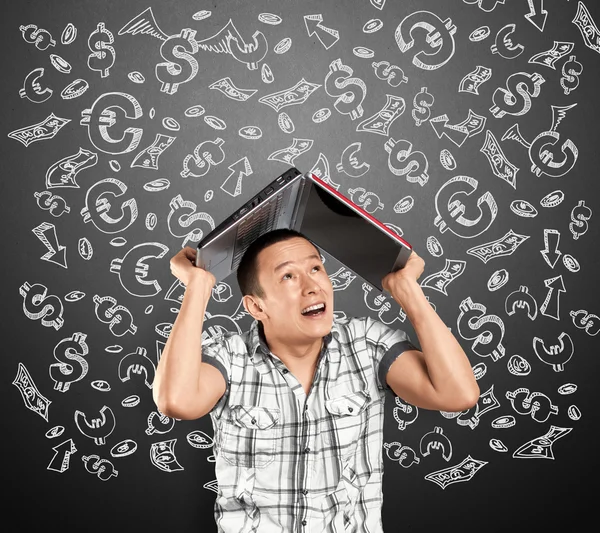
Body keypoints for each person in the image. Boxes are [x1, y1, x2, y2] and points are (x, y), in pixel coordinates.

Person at [153, 228, 480, 533]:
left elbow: (458, 395)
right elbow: (176, 402)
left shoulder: (366, 344)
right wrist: (198, 286)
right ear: (256, 306)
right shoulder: (230, 357)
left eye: (315, 269)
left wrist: (409, 291)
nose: (312, 286)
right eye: (288, 276)